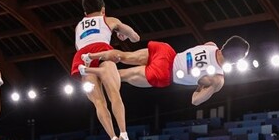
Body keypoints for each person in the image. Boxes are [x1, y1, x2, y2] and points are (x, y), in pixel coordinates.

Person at [81, 36, 250, 106]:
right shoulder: (217, 79)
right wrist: (201, 84)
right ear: (236, 60)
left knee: (125, 55)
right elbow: (195, 101)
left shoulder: (211, 45)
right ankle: (91, 76)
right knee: (122, 76)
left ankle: (91, 56)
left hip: (166, 52)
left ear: (226, 44)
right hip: (165, 73)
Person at [72, 0, 140, 140]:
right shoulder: (109, 20)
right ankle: (123, 133)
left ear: (85, 14)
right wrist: (122, 34)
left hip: (83, 57)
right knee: (114, 93)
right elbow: (136, 37)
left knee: (98, 102)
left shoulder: (78, 26)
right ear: (103, 10)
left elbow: (78, 46)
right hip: (102, 51)